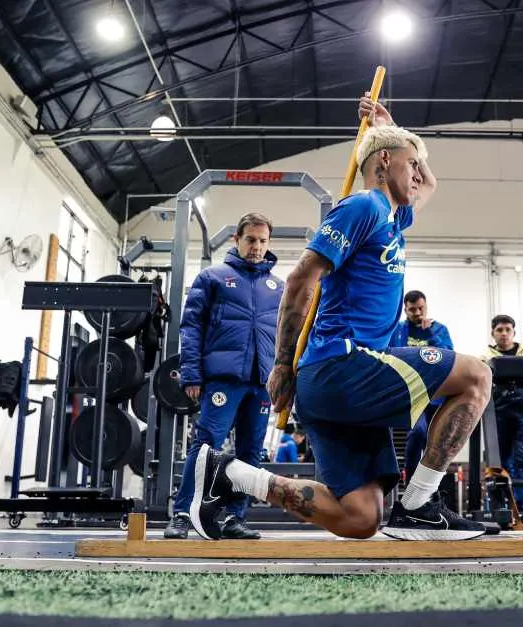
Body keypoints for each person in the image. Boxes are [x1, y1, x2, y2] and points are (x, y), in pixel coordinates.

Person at [188, 93, 492, 542]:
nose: (416, 174)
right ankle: (421, 505)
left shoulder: (394, 216)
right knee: (476, 376)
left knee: (360, 517)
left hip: (338, 388)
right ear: (385, 162)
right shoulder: (363, 206)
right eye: (409, 164)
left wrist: (391, 126)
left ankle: (228, 472)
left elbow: (429, 184)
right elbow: (299, 281)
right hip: (344, 363)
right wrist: (282, 363)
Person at [166, 212, 284, 540]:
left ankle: (235, 517)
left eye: (262, 241)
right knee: (205, 447)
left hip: (260, 383)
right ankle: (182, 514)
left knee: (250, 453)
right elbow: (191, 328)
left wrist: (283, 379)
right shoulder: (212, 278)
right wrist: (191, 374)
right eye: (251, 239)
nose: (257, 247)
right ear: (237, 239)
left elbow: (287, 337)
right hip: (222, 380)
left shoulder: (278, 287)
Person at [388, 290, 455, 482]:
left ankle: (431, 490)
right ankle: (410, 482)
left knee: (435, 443)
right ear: (405, 310)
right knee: (417, 433)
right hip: (413, 394)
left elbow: (449, 355)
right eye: (412, 310)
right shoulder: (399, 330)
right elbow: (390, 354)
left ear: (426, 306)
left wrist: (430, 334)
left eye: (420, 308)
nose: (417, 313)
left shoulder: (439, 329)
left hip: (437, 394)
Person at [483, 315, 523, 516]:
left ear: (514, 332)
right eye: (499, 330)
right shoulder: (484, 357)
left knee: (522, 460)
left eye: (507, 330)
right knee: (498, 463)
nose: (504, 334)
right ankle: (500, 510)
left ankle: (521, 509)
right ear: (493, 333)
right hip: (497, 415)